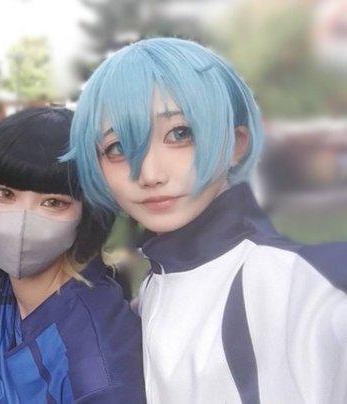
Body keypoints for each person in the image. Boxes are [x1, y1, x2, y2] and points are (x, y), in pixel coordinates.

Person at [66, 37, 347, 403]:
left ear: (236, 144)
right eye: (117, 148)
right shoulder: (155, 285)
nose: (149, 174)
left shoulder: (302, 283)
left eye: (179, 134)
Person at [0, 107, 145, 403]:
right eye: (4, 193)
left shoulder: (97, 373)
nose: (21, 220)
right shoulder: (6, 285)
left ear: (88, 213)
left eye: (53, 202)